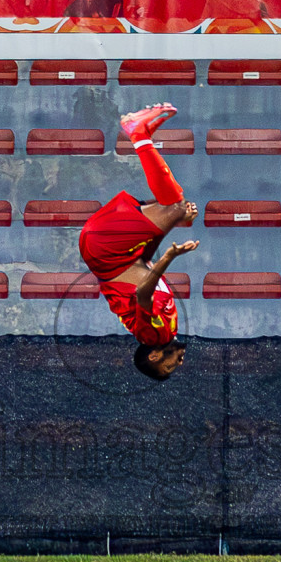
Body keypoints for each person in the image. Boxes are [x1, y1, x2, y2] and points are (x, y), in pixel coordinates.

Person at [78, 104, 198, 381]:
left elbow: (143, 292)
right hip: (108, 251)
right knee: (177, 207)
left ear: (154, 356)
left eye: (168, 366)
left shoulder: (154, 335)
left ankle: (137, 133)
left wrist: (170, 256)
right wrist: (168, 227)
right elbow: (143, 263)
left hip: (106, 252)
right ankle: (142, 134)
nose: (178, 364)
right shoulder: (168, 326)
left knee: (177, 208)